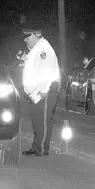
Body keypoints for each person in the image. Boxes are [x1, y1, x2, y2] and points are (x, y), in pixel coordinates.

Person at [21, 27, 61, 156]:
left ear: (33, 36)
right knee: (37, 120)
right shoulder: (36, 50)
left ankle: (42, 148)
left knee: (43, 120)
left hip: (44, 90)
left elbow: (45, 71)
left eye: (27, 37)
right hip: (35, 91)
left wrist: (43, 90)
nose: (25, 39)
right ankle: (37, 146)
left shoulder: (44, 50)